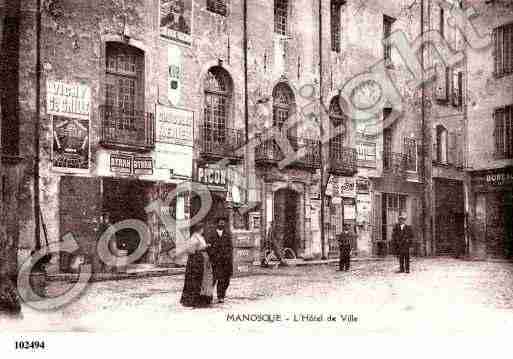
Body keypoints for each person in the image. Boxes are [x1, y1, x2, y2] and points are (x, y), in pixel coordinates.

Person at [178, 223, 213, 308]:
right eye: (202, 229)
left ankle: (203, 298)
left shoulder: (200, 237)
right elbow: (191, 250)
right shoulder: (194, 237)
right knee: (197, 279)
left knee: (204, 279)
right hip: (197, 260)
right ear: (199, 229)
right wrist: (203, 247)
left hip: (203, 259)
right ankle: (194, 300)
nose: (203, 230)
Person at [206, 218, 233, 304]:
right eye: (220, 223)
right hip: (215, 261)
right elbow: (208, 247)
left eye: (223, 223)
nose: (222, 224)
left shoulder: (227, 234)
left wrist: (229, 257)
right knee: (213, 279)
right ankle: (209, 296)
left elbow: (230, 247)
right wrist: (212, 255)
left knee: (224, 280)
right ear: (217, 224)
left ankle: (221, 296)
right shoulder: (212, 234)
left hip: (225, 261)